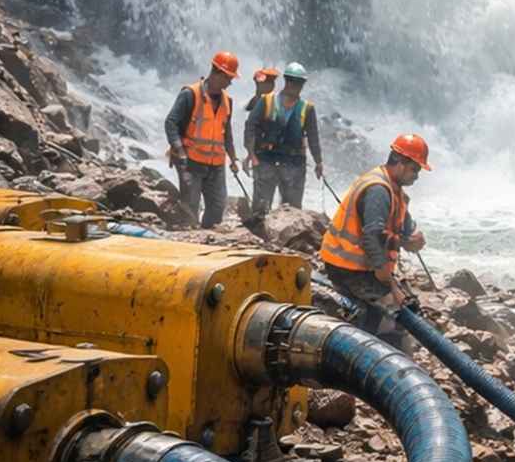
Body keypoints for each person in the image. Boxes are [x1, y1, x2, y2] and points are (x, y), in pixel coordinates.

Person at [319, 133, 430, 348]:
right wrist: (387, 281)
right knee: (393, 315)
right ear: (400, 163)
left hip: (361, 266)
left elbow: (402, 226)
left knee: (401, 307)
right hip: (349, 267)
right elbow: (372, 237)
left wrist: (412, 238)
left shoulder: (394, 189)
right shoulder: (378, 190)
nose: (416, 176)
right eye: (415, 169)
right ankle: (366, 353)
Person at [164, 51, 242, 228]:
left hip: (216, 163)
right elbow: (171, 123)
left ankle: (208, 236)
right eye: (228, 78)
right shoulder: (190, 94)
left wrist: (234, 158)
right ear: (217, 73)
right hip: (191, 161)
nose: (230, 82)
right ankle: (189, 238)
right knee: (190, 207)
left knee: (217, 207)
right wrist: (180, 151)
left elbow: (226, 132)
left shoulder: (227, 101)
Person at [245, 61, 324, 217]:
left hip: (294, 163)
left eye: (300, 83)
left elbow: (313, 137)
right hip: (266, 159)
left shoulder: (307, 108)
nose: (297, 86)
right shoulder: (267, 101)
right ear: (286, 81)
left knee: (292, 210)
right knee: (261, 207)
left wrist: (318, 161)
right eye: (294, 82)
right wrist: (251, 154)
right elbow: (250, 127)